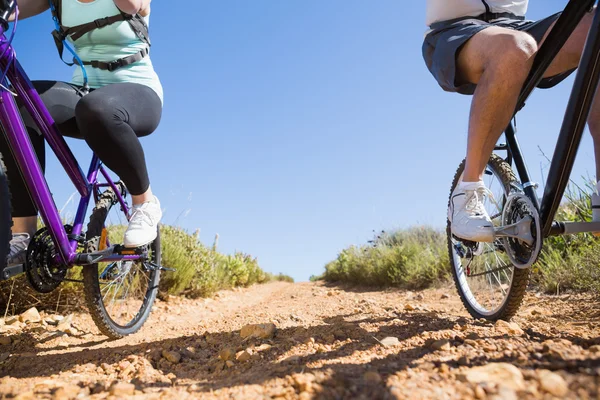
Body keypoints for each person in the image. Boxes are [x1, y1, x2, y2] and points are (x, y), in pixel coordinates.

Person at [1, 0, 163, 267]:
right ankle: (24, 232)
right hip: (84, 92)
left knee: (97, 108)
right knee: (16, 106)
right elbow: (15, 6)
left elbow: (134, 5)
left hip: (138, 92)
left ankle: (144, 202)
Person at [423, 1, 600, 242]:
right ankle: (467, 191)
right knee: (515, 48)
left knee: (596, 27)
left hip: (518, 27)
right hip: (455, 32)